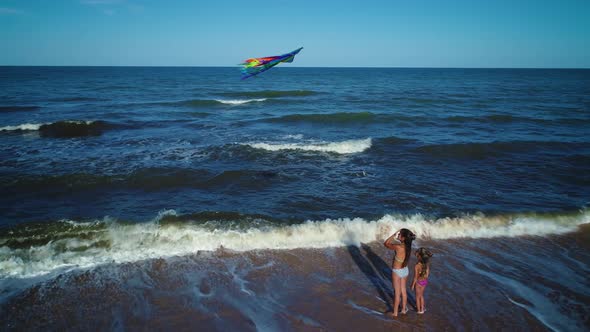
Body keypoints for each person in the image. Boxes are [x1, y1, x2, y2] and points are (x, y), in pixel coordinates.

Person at [383, 228, 416, 317]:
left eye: (400, 234)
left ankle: (395, 313)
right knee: (403, 291)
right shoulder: (408, 246)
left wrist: (394, 235)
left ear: (404, 238)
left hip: (397, 271)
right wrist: (398, 237)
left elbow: (386, 243)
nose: (399, 235)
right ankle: (404, 310)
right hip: (405, 270)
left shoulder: (398, 246)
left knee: (397, 293)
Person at [411, 247, 433, 314]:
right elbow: (427, 275)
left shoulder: (417, 266)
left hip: (418, 282)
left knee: (417, 297)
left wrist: (412, 285)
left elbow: (415, 277)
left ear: (419, 257)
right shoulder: (426, 265)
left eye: (417, 255)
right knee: (421, 296)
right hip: (424, 282)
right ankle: (422, 309)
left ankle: (419, 310)